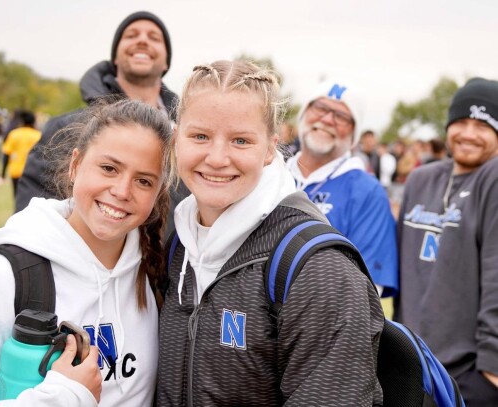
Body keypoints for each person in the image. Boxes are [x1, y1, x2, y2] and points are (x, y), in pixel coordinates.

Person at [156, 60, 383, 406]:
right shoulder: (179, 243)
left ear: (269, 148)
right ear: (176, 139)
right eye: (200, 135)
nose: (217, 158)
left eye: (241, 140)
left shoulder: (319, 270)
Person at [0, 99, 173, 406]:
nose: (122, 191)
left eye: (143, 181)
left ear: (158, 191)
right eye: (109, 168)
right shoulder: (6, 278)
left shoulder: (153, 272)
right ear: (75, 165)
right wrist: (64, 395)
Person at [16, 11, 188, 234]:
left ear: (166, 62)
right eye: (131, 35)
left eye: (154, 38)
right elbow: (31, 216)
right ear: (115, 57)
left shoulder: (187, 138)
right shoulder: (65, 128)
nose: (143, 40)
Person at [395, 77, 498, 406]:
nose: (468, 133)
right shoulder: (423, 179)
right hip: (412, 363)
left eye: (483, 125)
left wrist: (492, 369)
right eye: (461, 122)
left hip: (466, 373)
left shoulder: (492, 179)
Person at [286, 79, 398, 297]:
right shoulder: (270, 175)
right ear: (304, 114)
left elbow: (367, 290)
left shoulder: (367, 192)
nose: (327, 119)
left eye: (341, 116)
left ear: (354, 135)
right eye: (320, 107)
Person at [1, 111, 41, 196]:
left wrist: (3, 173)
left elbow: (6, 154)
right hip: (32, 171)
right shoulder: (38, 135)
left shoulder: (14, 134)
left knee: (17, 197)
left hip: (16, 170)